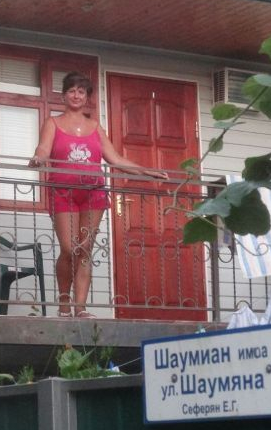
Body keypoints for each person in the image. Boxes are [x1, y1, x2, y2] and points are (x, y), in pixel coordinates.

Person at [29, 71, 168, 318]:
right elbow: (43, 148)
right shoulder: (53, 123)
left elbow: (115, 158)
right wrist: (38, 158)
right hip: (63, 192)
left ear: (87, 98)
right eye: (71, 91)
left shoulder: (95, 127)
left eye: (81, 92)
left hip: (93, 194)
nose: (76, 95)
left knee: (84, 249)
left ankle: (80, 308)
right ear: (64, 96)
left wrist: (147, 171)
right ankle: (64, 300)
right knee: (69, 248)